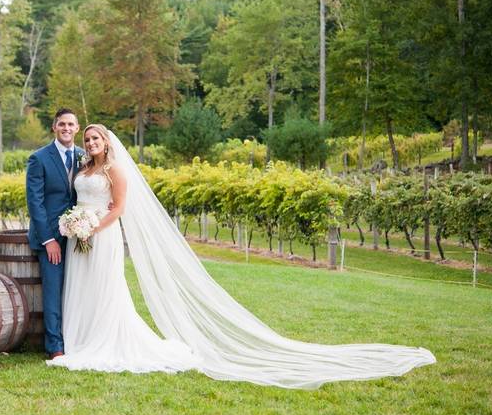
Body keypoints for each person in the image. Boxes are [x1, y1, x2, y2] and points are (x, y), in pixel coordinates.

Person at [47, 124, 436, 389]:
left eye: (96, 138)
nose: (91, 142)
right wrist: (74, 223)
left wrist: (92, 228)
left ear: (107, 143)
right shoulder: (84, 167)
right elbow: (81, 198)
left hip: (103, 236)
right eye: (88, 138)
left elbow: (117, 208)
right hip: (80, 237)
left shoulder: (116, 170)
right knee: (82, 288)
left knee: (107, 290)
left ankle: (105, 341)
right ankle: (79, 342)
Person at [25, 109, 83, 359]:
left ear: (77, 128)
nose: (66, 128)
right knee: (53, 291)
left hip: (80, 235)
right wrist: (48, 239)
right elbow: (34, 202)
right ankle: (55, 347)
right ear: (54, 127)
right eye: (62, 124)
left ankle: (78, 340)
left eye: (71, 124)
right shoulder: (39, 158)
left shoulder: (84, 156)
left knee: (79, 289)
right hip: (50, 237)